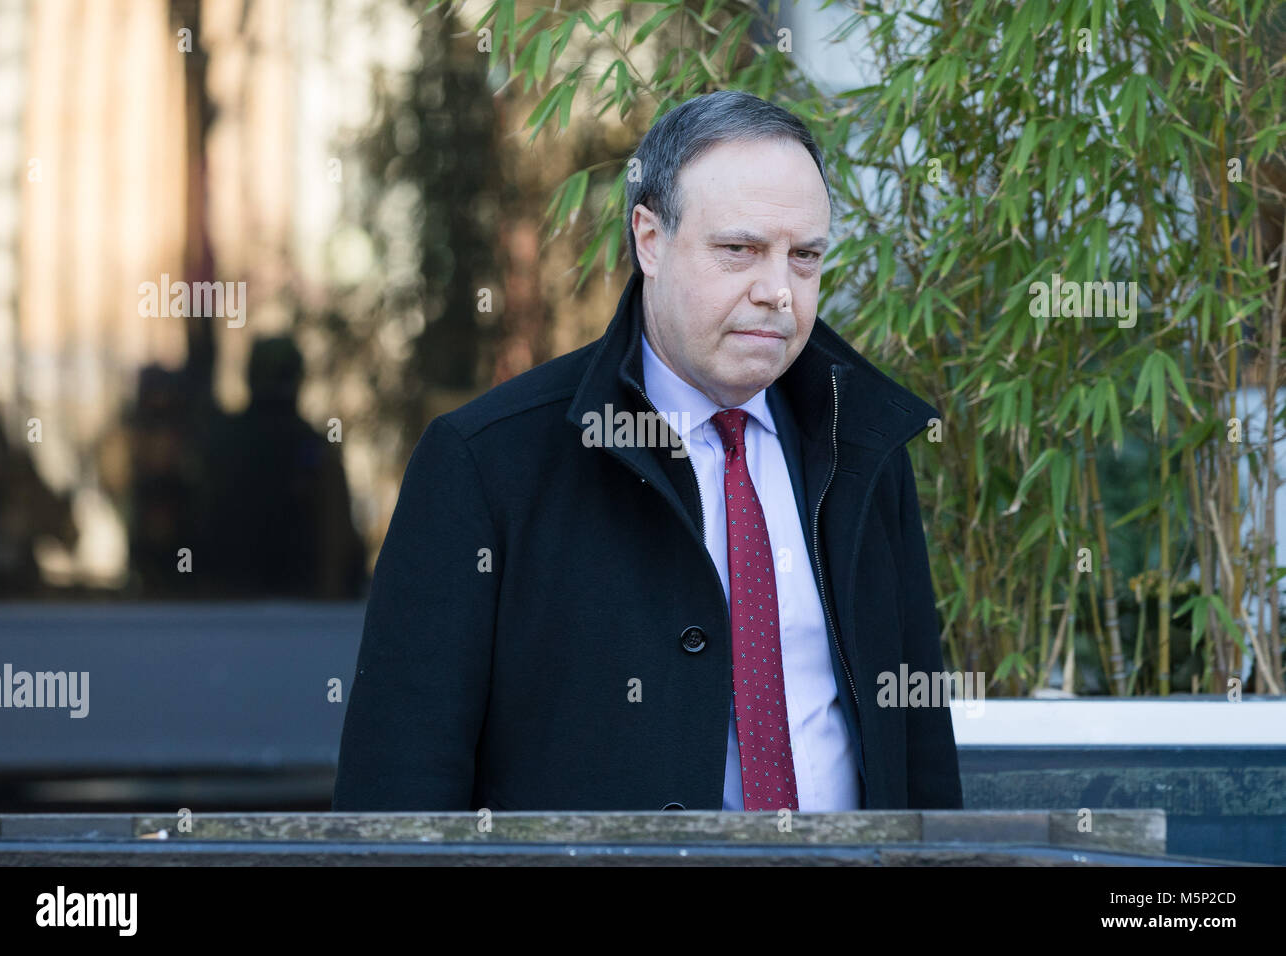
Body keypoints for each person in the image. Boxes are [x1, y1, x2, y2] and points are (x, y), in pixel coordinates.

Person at [334, 90, 962, 812]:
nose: (778, 292)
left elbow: (920, 752)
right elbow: (400, 782)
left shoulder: (864, 443)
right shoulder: (488, 462)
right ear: (650, 239)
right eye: (740, 250)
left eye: (805, 258)